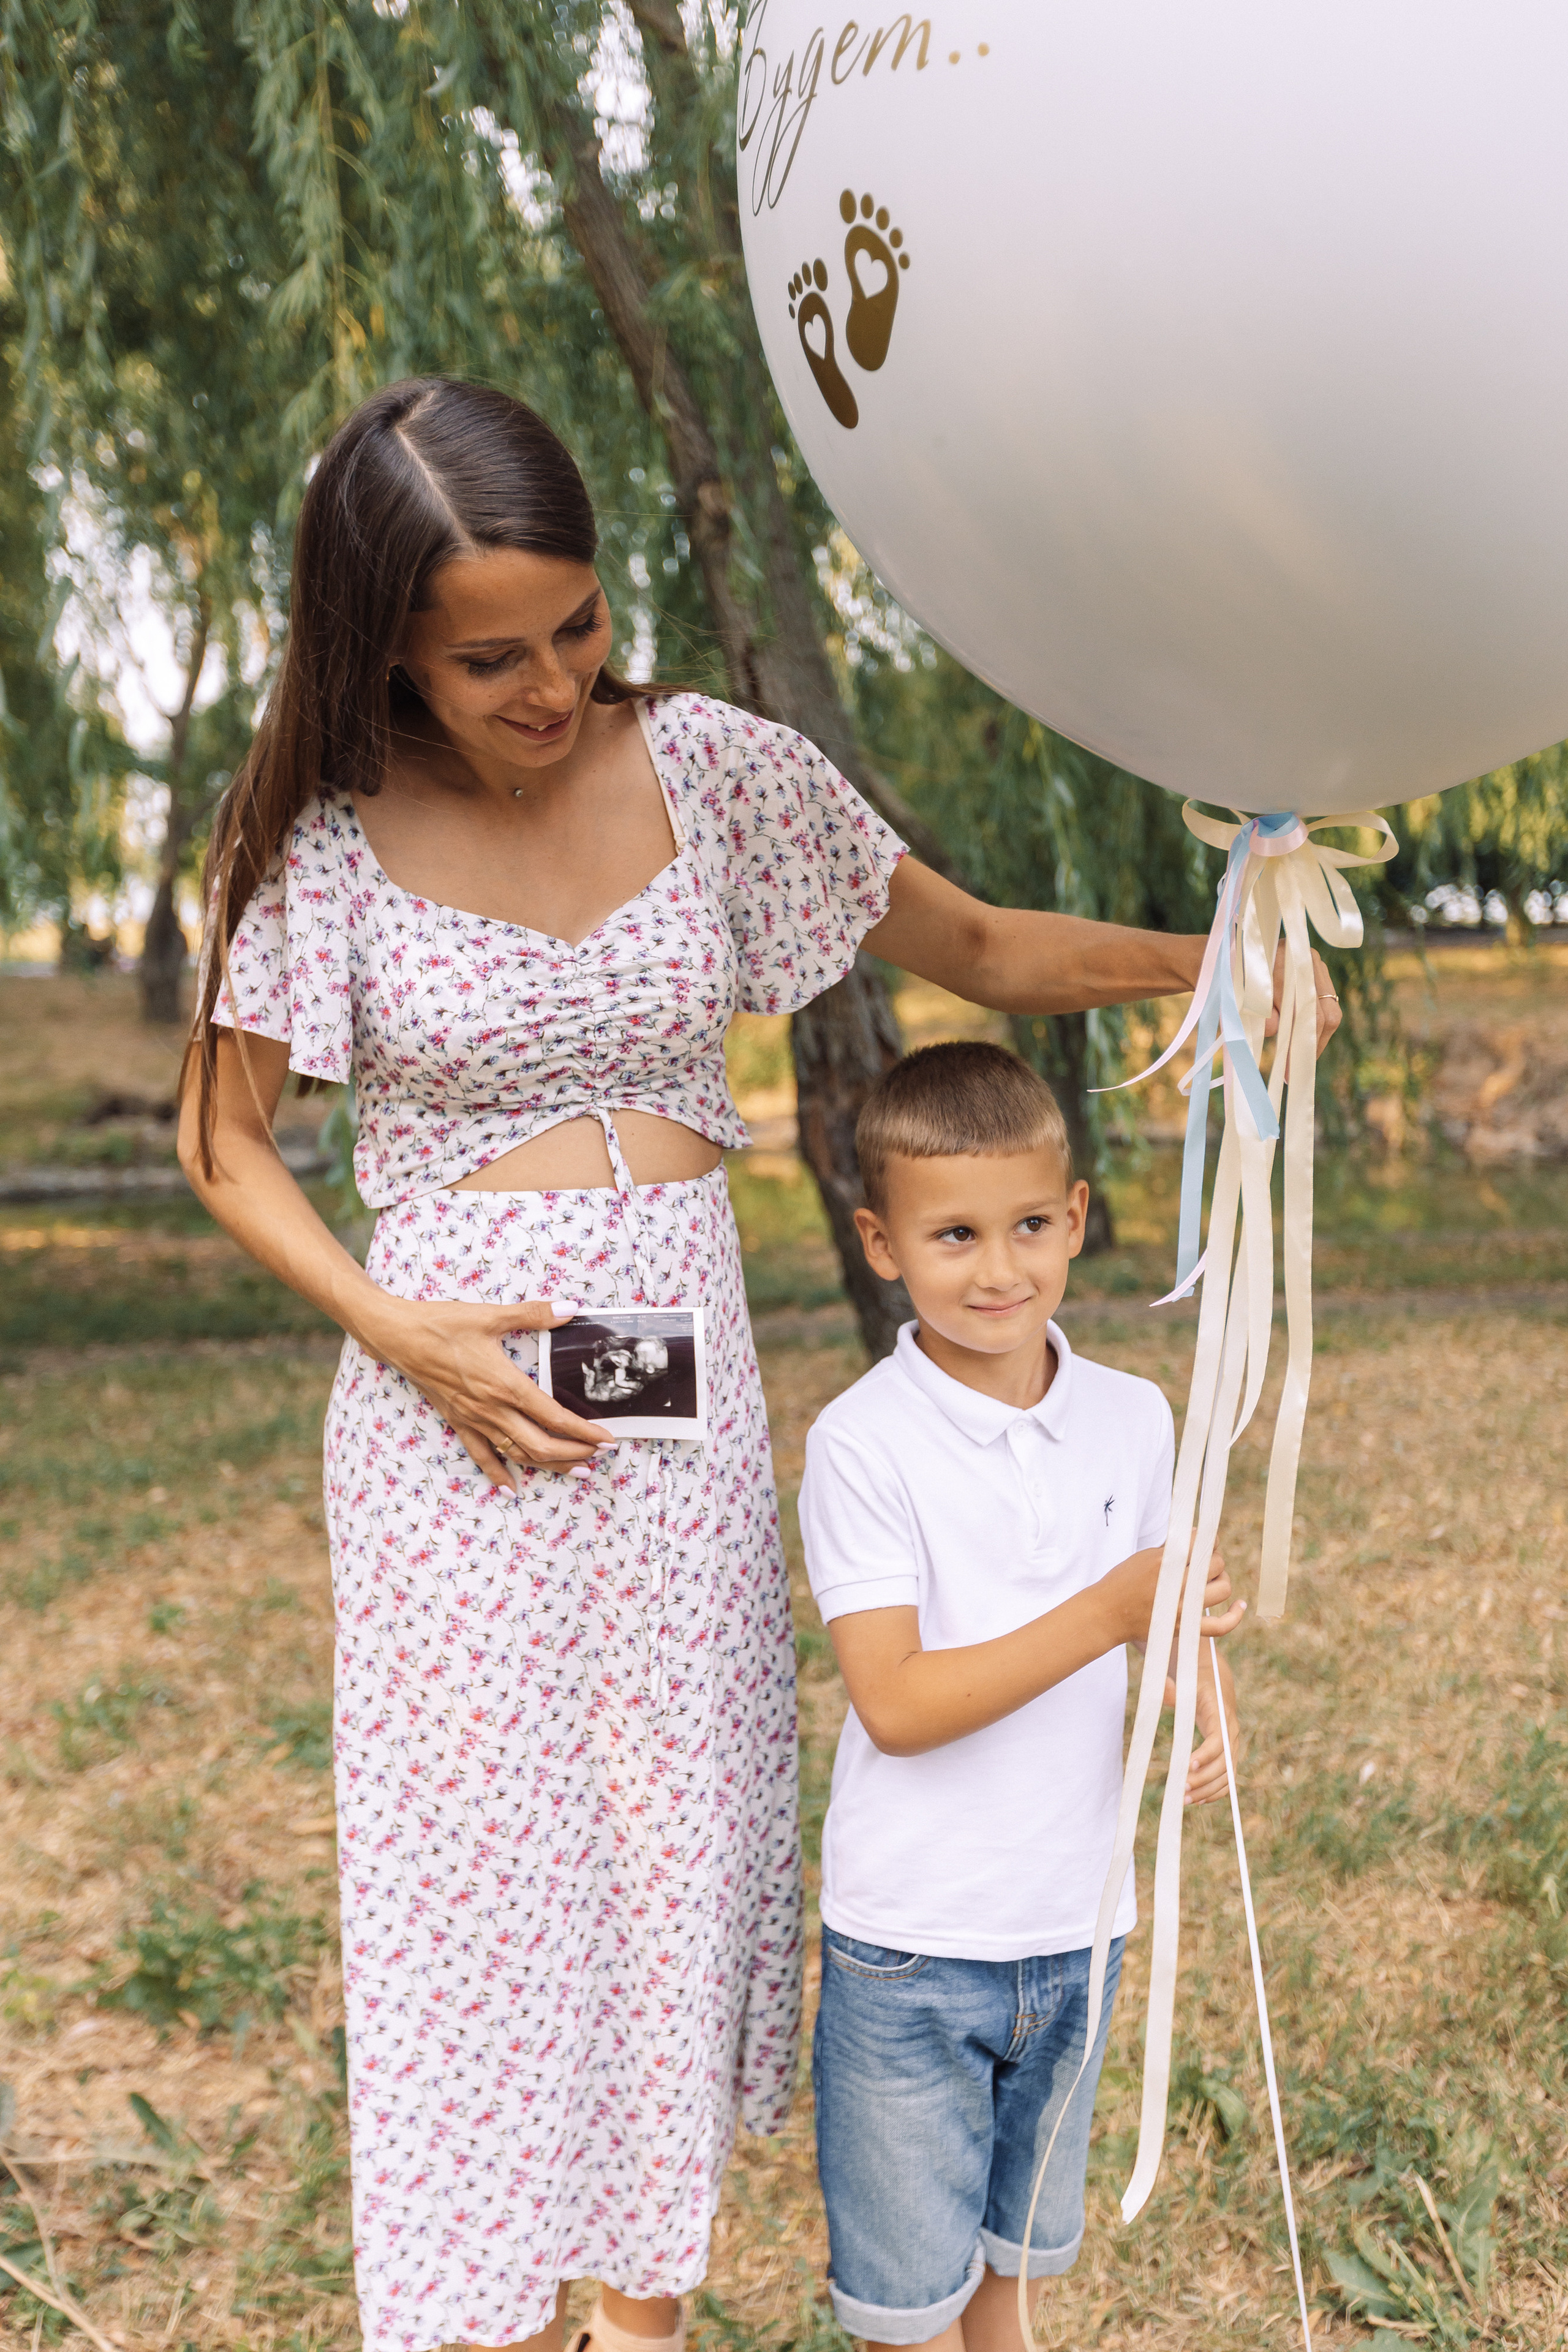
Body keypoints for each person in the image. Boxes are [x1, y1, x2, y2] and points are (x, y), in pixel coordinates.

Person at [176, 377, 1325, 2352]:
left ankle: (637, 2310)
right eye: (488, 656)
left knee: (680, 1859)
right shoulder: (322, 831)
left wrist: (1212, 957)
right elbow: (225, 1135)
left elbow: (971, 937)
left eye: (578, 631)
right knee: (484, 1895)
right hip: (458, 1428)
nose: (550, 686)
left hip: (677, 1394)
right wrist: (392, 1327)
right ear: (383, 645)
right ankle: (484, 2309)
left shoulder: (714, 773)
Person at [798, 1042, 1243, 2352]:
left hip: (1076, 1923)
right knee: (908, 2313)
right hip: (916, 1946)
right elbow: (897, 1703)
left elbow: (1162, 1601)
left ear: (1076, 1218)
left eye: (1030, 1226)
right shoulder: (862, 1443)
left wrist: (1192, 1688)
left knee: (1012, 2276)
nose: (999, 1269)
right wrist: (1106, 1612)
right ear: (881, 1244)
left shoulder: (1132, 1415)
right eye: (953, 1235)